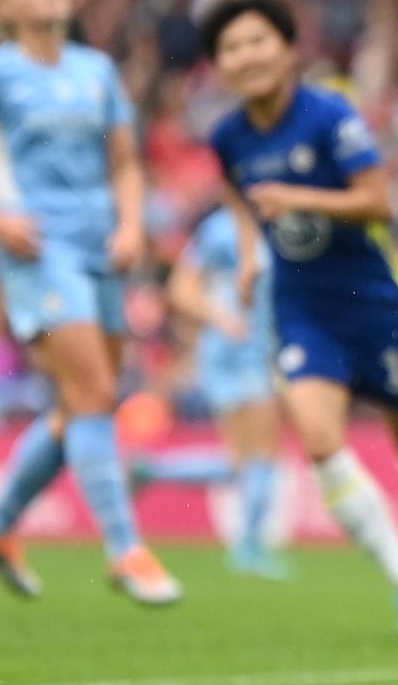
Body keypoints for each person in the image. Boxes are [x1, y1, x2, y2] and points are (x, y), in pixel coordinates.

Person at [197, 0, 398, 640]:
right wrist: (246, 252)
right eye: (232, 47)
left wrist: (297, 195)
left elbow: (376, 200)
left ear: (289, 50)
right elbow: (240, 196)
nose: (246, 56)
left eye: (258, 41)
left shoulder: (330, 116)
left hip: (373, 301)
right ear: (219, 66)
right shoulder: (227, 137)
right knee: (319, 441)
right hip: (302, 309)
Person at [0, 0, 181, 606]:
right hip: (38, 248)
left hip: (102, 245)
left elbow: (125, 161)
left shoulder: (96, 70)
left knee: (82, 402)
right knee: (96, 390)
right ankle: (126, 548)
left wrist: (131, 225)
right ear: (3, 7)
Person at [125, 207, 289, 579]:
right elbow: (181, 288)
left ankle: (153, 470)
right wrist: (221, 318)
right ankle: (248, 548)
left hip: (251, 350)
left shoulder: (270, 225)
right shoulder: (222, 229)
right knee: (261, 454)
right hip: (237, 352)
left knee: (240, 462)